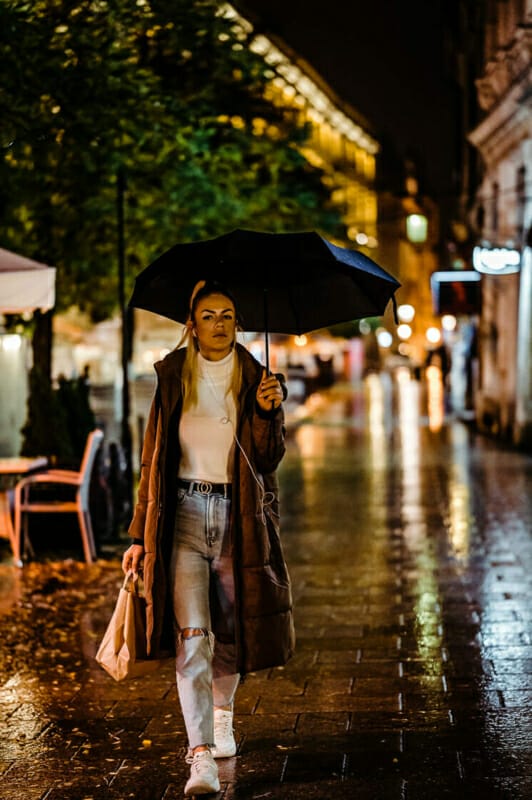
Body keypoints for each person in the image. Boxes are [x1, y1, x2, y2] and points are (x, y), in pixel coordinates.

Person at [122, 280, 295, 796]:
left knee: (231, 630)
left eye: (228, 314)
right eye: (209, 315)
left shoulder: (257, 376)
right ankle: (200, 757)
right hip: (183, 516)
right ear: (192, 324)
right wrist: (138, 534)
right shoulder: (173, 375)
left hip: (238, 516)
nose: (219, 323)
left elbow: (267, 461)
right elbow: (152, 459)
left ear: (236, 322)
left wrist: (268, 413)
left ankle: (223, 717)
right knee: (193, 635)